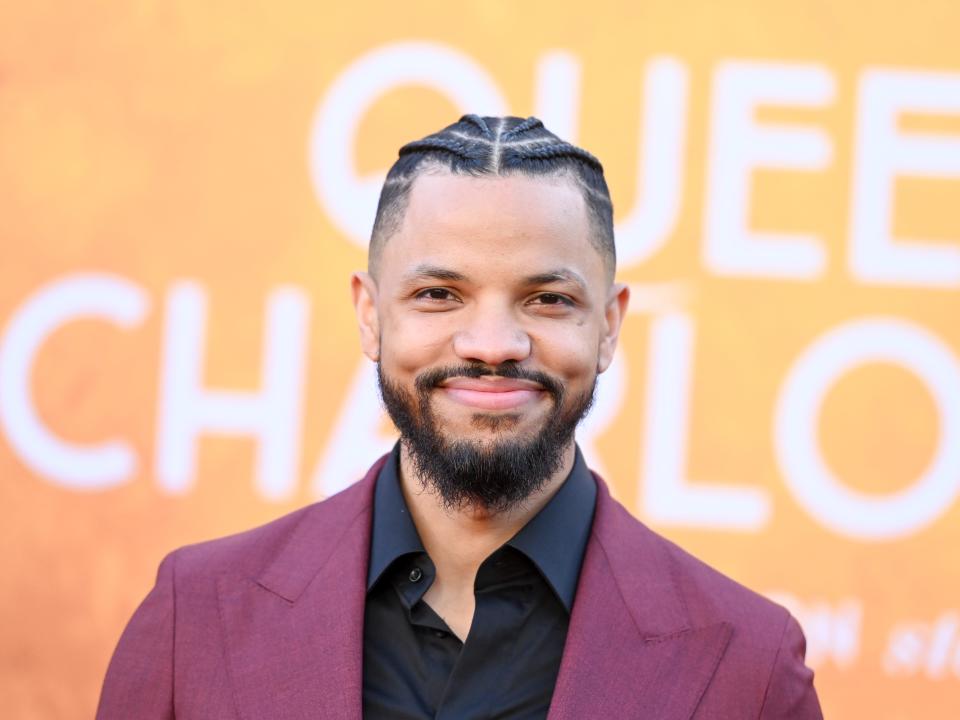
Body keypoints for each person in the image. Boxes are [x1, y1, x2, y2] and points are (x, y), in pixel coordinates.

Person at [97, 115, 823, 719]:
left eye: (548, 300)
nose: (493, 347)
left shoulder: (748, 667)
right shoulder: (195, 615)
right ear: (370, 314)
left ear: (608, 325)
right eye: (440, 294)